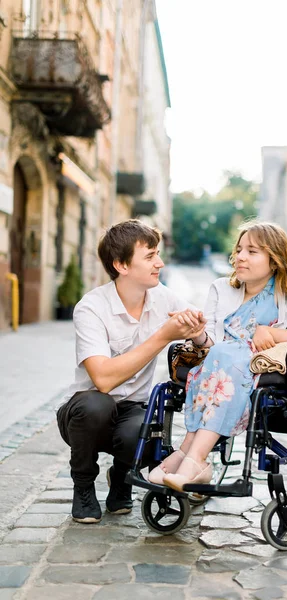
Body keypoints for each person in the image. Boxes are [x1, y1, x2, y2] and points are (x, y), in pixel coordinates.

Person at [57, 219, 206, 524]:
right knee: (96, 404)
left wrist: (200, 332)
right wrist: (163, 336)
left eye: (158, 254)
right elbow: (103, 378)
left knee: (145, 433)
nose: (160, 263)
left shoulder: (163, 297)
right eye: (150, 256)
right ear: (121, 265)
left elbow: (206, 335)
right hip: (86, 412)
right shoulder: (91, 307)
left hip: (133, 409)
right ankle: (83, 487)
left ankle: (122, 477)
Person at [148, 221, 287, 491]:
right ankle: (193, 458)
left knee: (226, 360)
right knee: (220, 355)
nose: (240, 257)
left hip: (256, 364)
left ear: (274, 260)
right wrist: (197, 333)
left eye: (252, 251)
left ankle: (191, 456)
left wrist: (267, 332)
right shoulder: (220, 288)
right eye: (239, 250)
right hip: (218, 361)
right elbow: (210, 341)